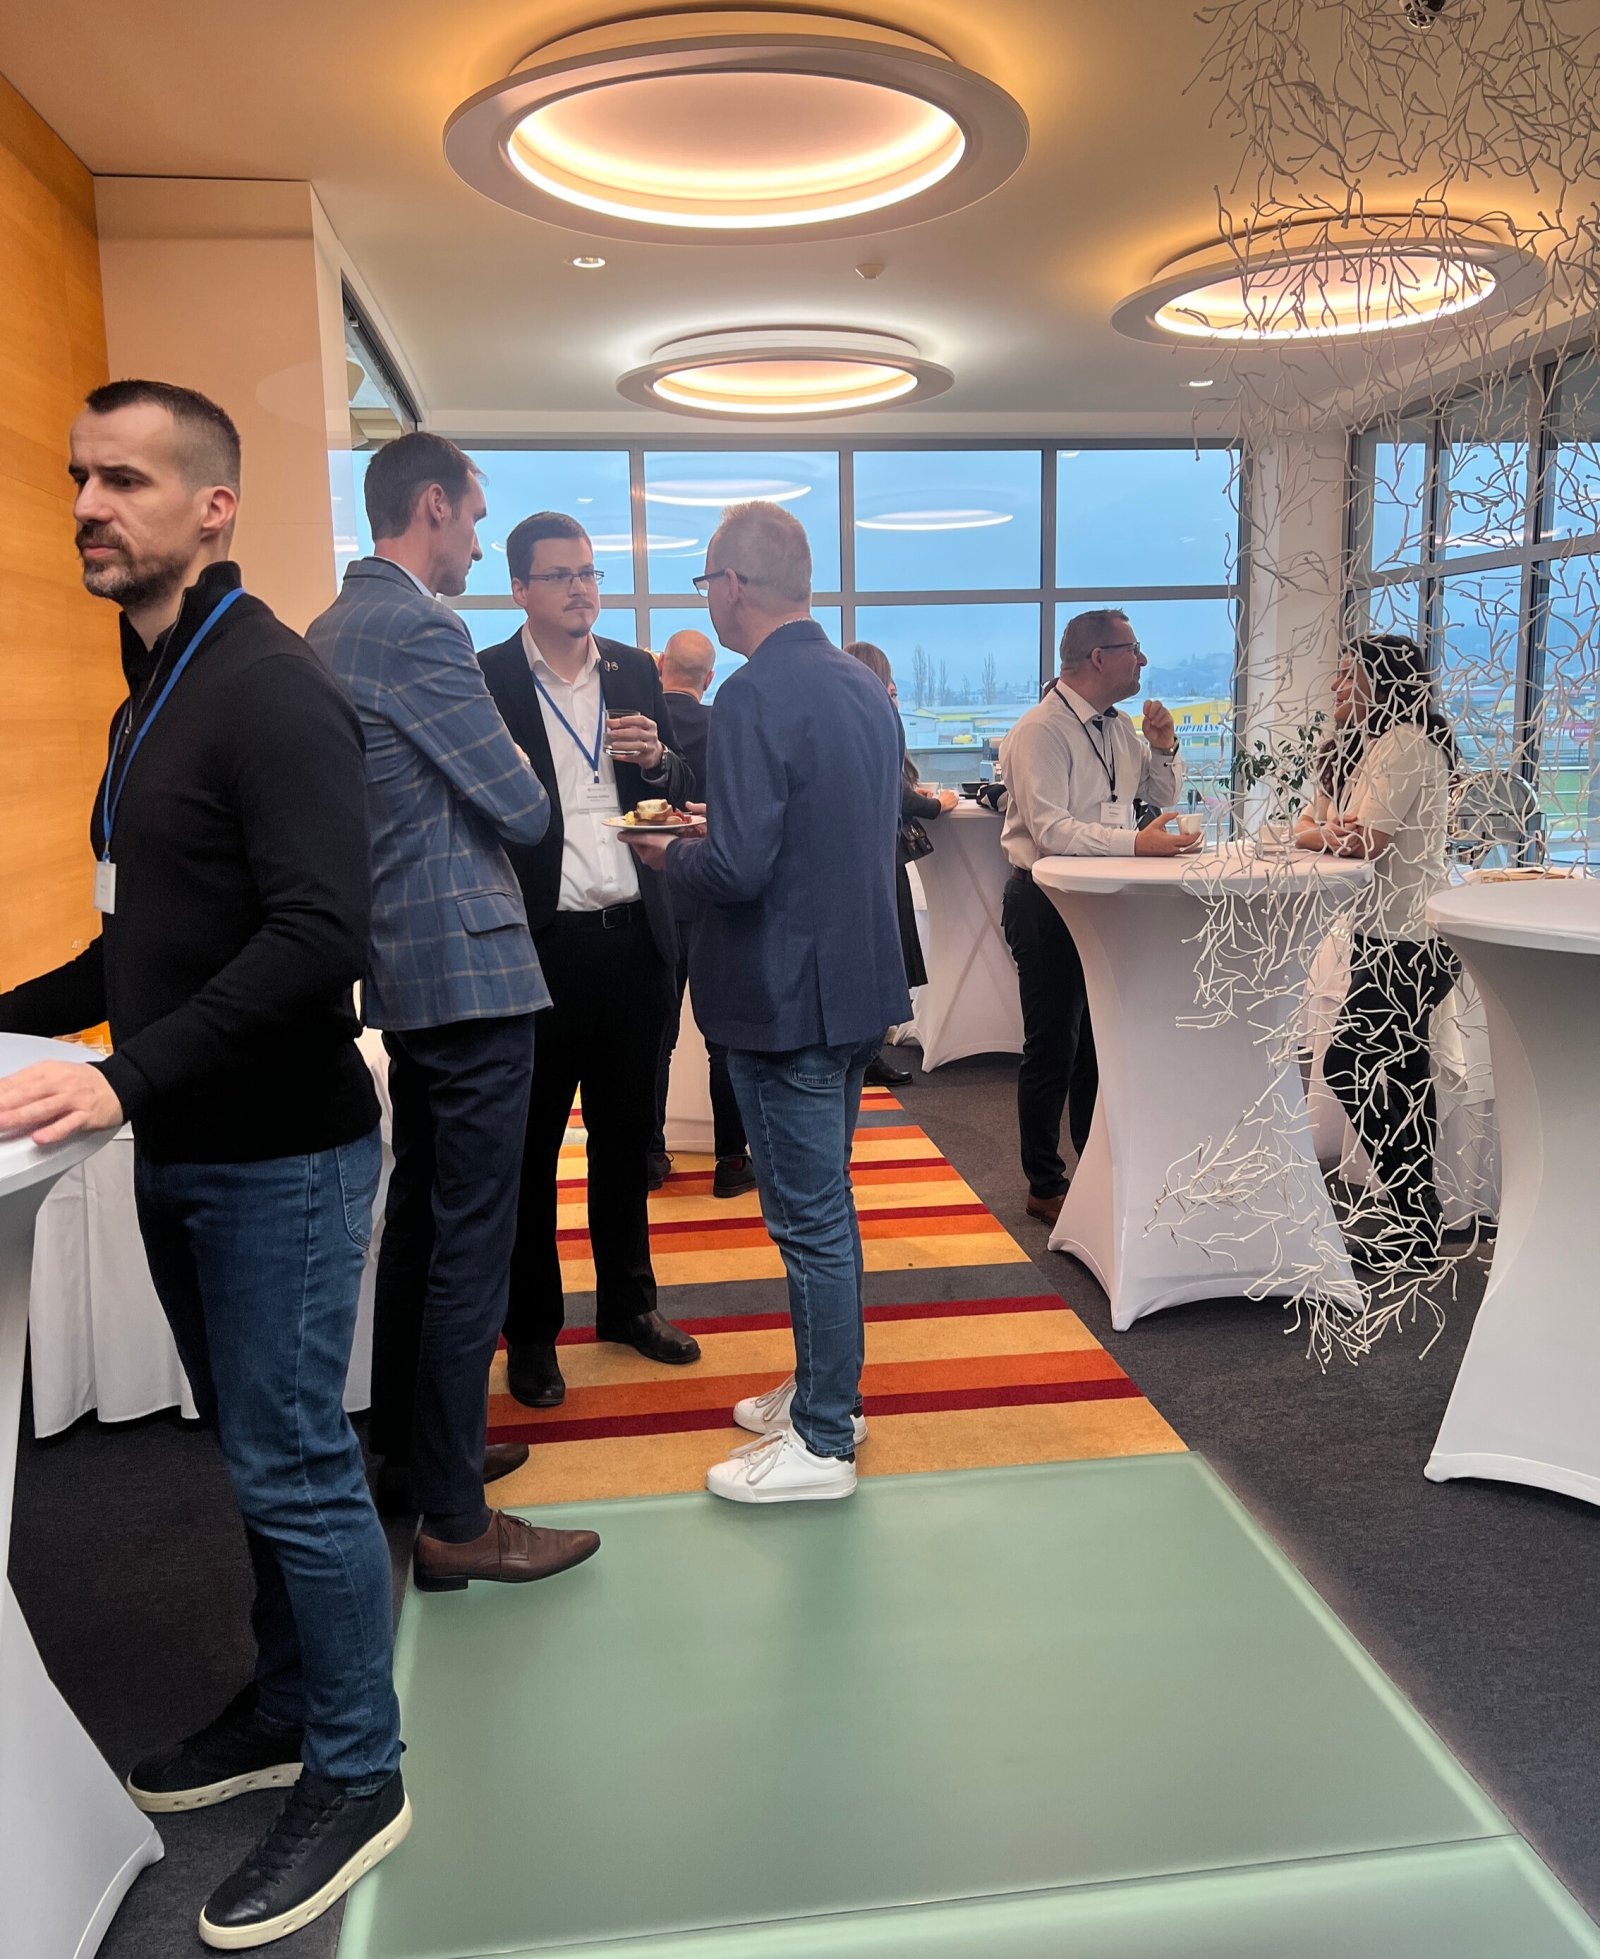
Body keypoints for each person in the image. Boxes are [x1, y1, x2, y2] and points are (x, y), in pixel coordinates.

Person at [0, 380, 409, 1948]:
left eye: (125, 478)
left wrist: (122, 1075)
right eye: (79, 476)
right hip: (188, 1143)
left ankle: (359, 1770)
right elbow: (142, 939)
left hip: (281, 1155)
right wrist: (30, 1016)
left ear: (213, 504)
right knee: (254, 1452)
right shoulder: (154, 686)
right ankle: (291, 1704)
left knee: (294, 1463)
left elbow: (318, 938)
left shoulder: (269, 687)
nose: (88, 505)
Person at [307, 436, 599, 1594]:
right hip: (470, 968)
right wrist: (513, 772)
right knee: (471, 1238)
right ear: (432, 505)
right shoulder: (419, 630)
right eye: (474, 519)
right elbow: (524, 806)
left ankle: (415, 1459)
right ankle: (457, 1522)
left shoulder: (336, 625)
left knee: (425, 1223)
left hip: (409, 967)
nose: (479, 543)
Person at [624, 502, 907, 1504]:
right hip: (854, 986)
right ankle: (831, 1395)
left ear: (732, 586)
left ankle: (823, 1442)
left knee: (809, 1221)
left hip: (782, 997)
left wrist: (668, 852)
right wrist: (724, 825)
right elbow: (823, 830)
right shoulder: (861, 684)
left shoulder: (750, 694)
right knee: (828, 1209)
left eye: (707, 581)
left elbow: (739, 870)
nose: (708, 596)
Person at [479, 512, 702, 1411]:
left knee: (626, 1140)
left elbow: (674, 791)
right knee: (530, 1153)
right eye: (561, 574)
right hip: (538, 947)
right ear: (520, 589)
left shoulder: (634, 669)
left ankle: (628, 1306)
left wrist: (662, 760)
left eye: (590, 572)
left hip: (634, 941)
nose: (581, 589)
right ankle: (532, 1333)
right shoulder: (488, 677)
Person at [999, 608, 1195, 1225]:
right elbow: (1050, 831)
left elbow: (1157, 796)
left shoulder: (1118, 727)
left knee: (1097, 1044)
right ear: (1098, 658)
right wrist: (1135, 844)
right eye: (1133, 648)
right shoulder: (1040, 730)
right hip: (1046, 900)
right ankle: (1044, 1183)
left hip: (1103, 900)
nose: (1143, 660)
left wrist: (1163, 747)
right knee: (1052, 1046)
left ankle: (1094, 1172)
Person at [1295, 634, 1459, 1268]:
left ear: (1382, 682)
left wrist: (1326, 833)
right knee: (1404, 1072)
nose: (1336, 686)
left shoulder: (1404, 744)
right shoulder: (1369, 745)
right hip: (1387, 934)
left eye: (1348, 674)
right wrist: (1327, 831)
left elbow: (1364, 841)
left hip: (1411, 940)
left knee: (1348, 1063)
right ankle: (1417, 1222)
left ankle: (1415, 1215)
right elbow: (1319, 826)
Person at [651, 627, 757, 1199]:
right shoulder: (726, 727)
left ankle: (649, 1154)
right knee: (723, 1040)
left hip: (655, 899)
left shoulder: (638, 730)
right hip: (715, 897)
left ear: (660, 666)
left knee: (656, 1038)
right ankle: (731, 1160)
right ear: (710, 677)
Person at [843, 640, 959, 1089]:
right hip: (880, 860)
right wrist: (937, 805)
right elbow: (894, 791)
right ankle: (867, 1056)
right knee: (884, 960)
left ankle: (865, 1056)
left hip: (856, 861)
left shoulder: (844, 719)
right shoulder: (876, 719)